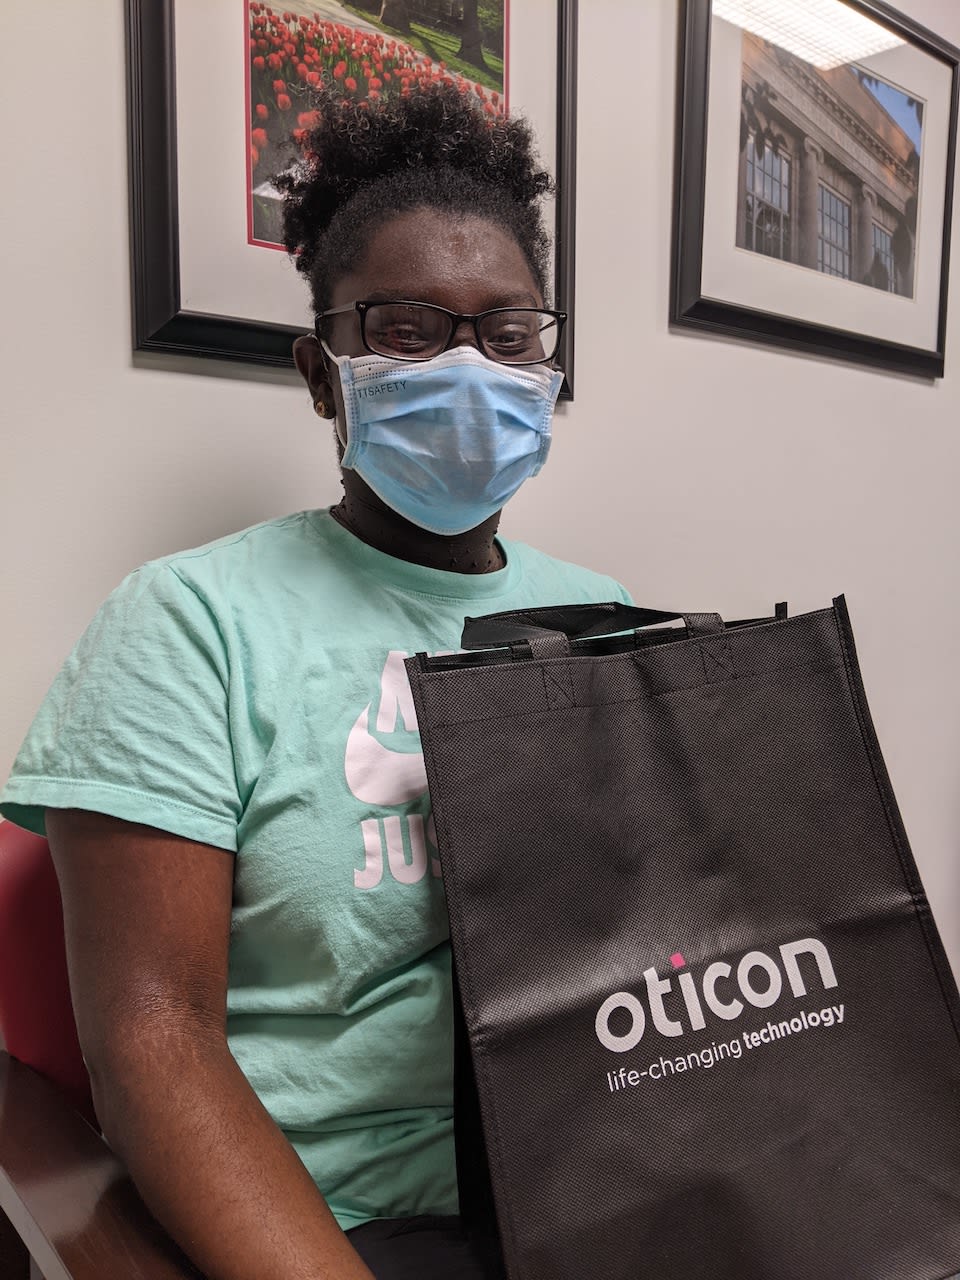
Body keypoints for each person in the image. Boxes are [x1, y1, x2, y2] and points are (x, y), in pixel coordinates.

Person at [0, 82, 629, 1279]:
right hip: (341, 1226)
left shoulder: (601, 612)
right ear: (319, 369)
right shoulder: (188, 624)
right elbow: (154, 1042)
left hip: (592, 1181)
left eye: (508, 335)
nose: (467, 366)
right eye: (404, 329)